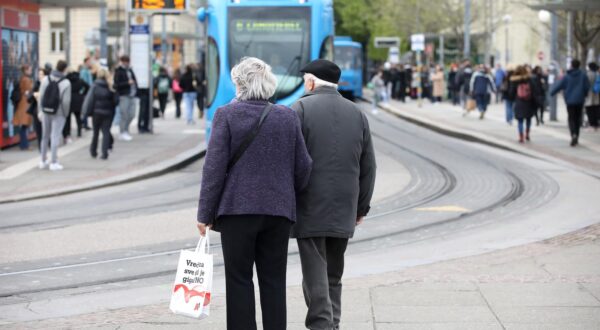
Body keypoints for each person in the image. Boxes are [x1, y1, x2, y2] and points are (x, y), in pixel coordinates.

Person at [196, 57, 312, 330]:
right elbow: (304, 167)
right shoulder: (286, 116)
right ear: (269, 84)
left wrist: (204, 214)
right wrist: (285, 192)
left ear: (238, 83)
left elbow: (213, 169)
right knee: (273, 281)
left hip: (237, 212)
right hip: (278, 212)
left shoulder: (225, 115)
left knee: (239, 280)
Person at [291, 59, 377, 330]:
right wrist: (361, 207)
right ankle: (333, 322)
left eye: (306, 78)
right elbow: (369, 165)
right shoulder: (357, 113)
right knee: (333, 272)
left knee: (314, 271)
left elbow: (290, 160)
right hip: (345, 204)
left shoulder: (300, 108)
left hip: (309, 203)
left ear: (312, 82)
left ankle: (321, 324)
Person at [39, 59, 71, 171]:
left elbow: (41, 97)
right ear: (65, 69)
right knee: (55, 136)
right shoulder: (66, 82)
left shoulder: (45, 79)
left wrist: (40, 111)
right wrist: (66, 114)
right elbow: (66, 102)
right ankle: (54, 162)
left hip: (46, 111)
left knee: (45, 136)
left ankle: (43, 161)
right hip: (59, 113)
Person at [551, 59, 590, 146]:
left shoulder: (567, 76)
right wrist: (585, 94)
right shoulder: (583, 75)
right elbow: (587, 87)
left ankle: (573, 134)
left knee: (571, 118)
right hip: (580, 100)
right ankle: (577, 135)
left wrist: (552, 92)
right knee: (577, 118)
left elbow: (559, 85)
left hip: (570, 101)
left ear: (571, 65)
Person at [82, 68, 118, 160]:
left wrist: (86, 112)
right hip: (108, 113)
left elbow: (90, 100)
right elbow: (116, 101)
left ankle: (93, 151)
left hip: (96, 113)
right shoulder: (111, 86)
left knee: (96, 132)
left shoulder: (95, 85)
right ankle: (104, 153)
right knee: (106, 132)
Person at [113, 55, 138, 141]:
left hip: (132, 95)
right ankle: (123, 132)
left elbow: (135, 81)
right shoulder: (119, 71)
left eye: (127, 61)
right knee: (124, 114)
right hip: (124, 95)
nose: (127, 63)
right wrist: (127, 83)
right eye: (125, 61)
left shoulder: (130, 70)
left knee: (132, 114)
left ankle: (126, 130)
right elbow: (116, 85)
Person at [509, 65, 536, 143]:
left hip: (519, 102)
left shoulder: (514, 80)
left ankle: (521, 136)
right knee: (528, 119)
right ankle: (527, 133)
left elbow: (511, 93)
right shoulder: (529, 79)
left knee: (520, 120)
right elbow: (534, 90)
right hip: (529, 102)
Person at [65, 67, 90, 139]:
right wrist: (82, 93)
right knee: (78, 117)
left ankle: (68, 133)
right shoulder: (79, 80)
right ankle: (79, 132)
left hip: (69, 99)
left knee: (68, 118)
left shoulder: (67, 80)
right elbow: (87, 86)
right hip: (78, 99)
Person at [13, 65, 34, 150]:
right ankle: (24, 145)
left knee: (24, 126)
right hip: (25, 103)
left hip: (23, 103)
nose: (31, 71)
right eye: (30, 69)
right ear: (26, 70)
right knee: (24, 125)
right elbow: (29, 90)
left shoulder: (23, 78)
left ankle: (24, 144)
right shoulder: (26, 79)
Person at [585, 62, 600, 130]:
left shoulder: (587, 74)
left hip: (589, 95)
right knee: (596, 109)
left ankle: (592, 124)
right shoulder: (597, 74)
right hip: (597, 94)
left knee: (589, 110)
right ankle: (596, 124)